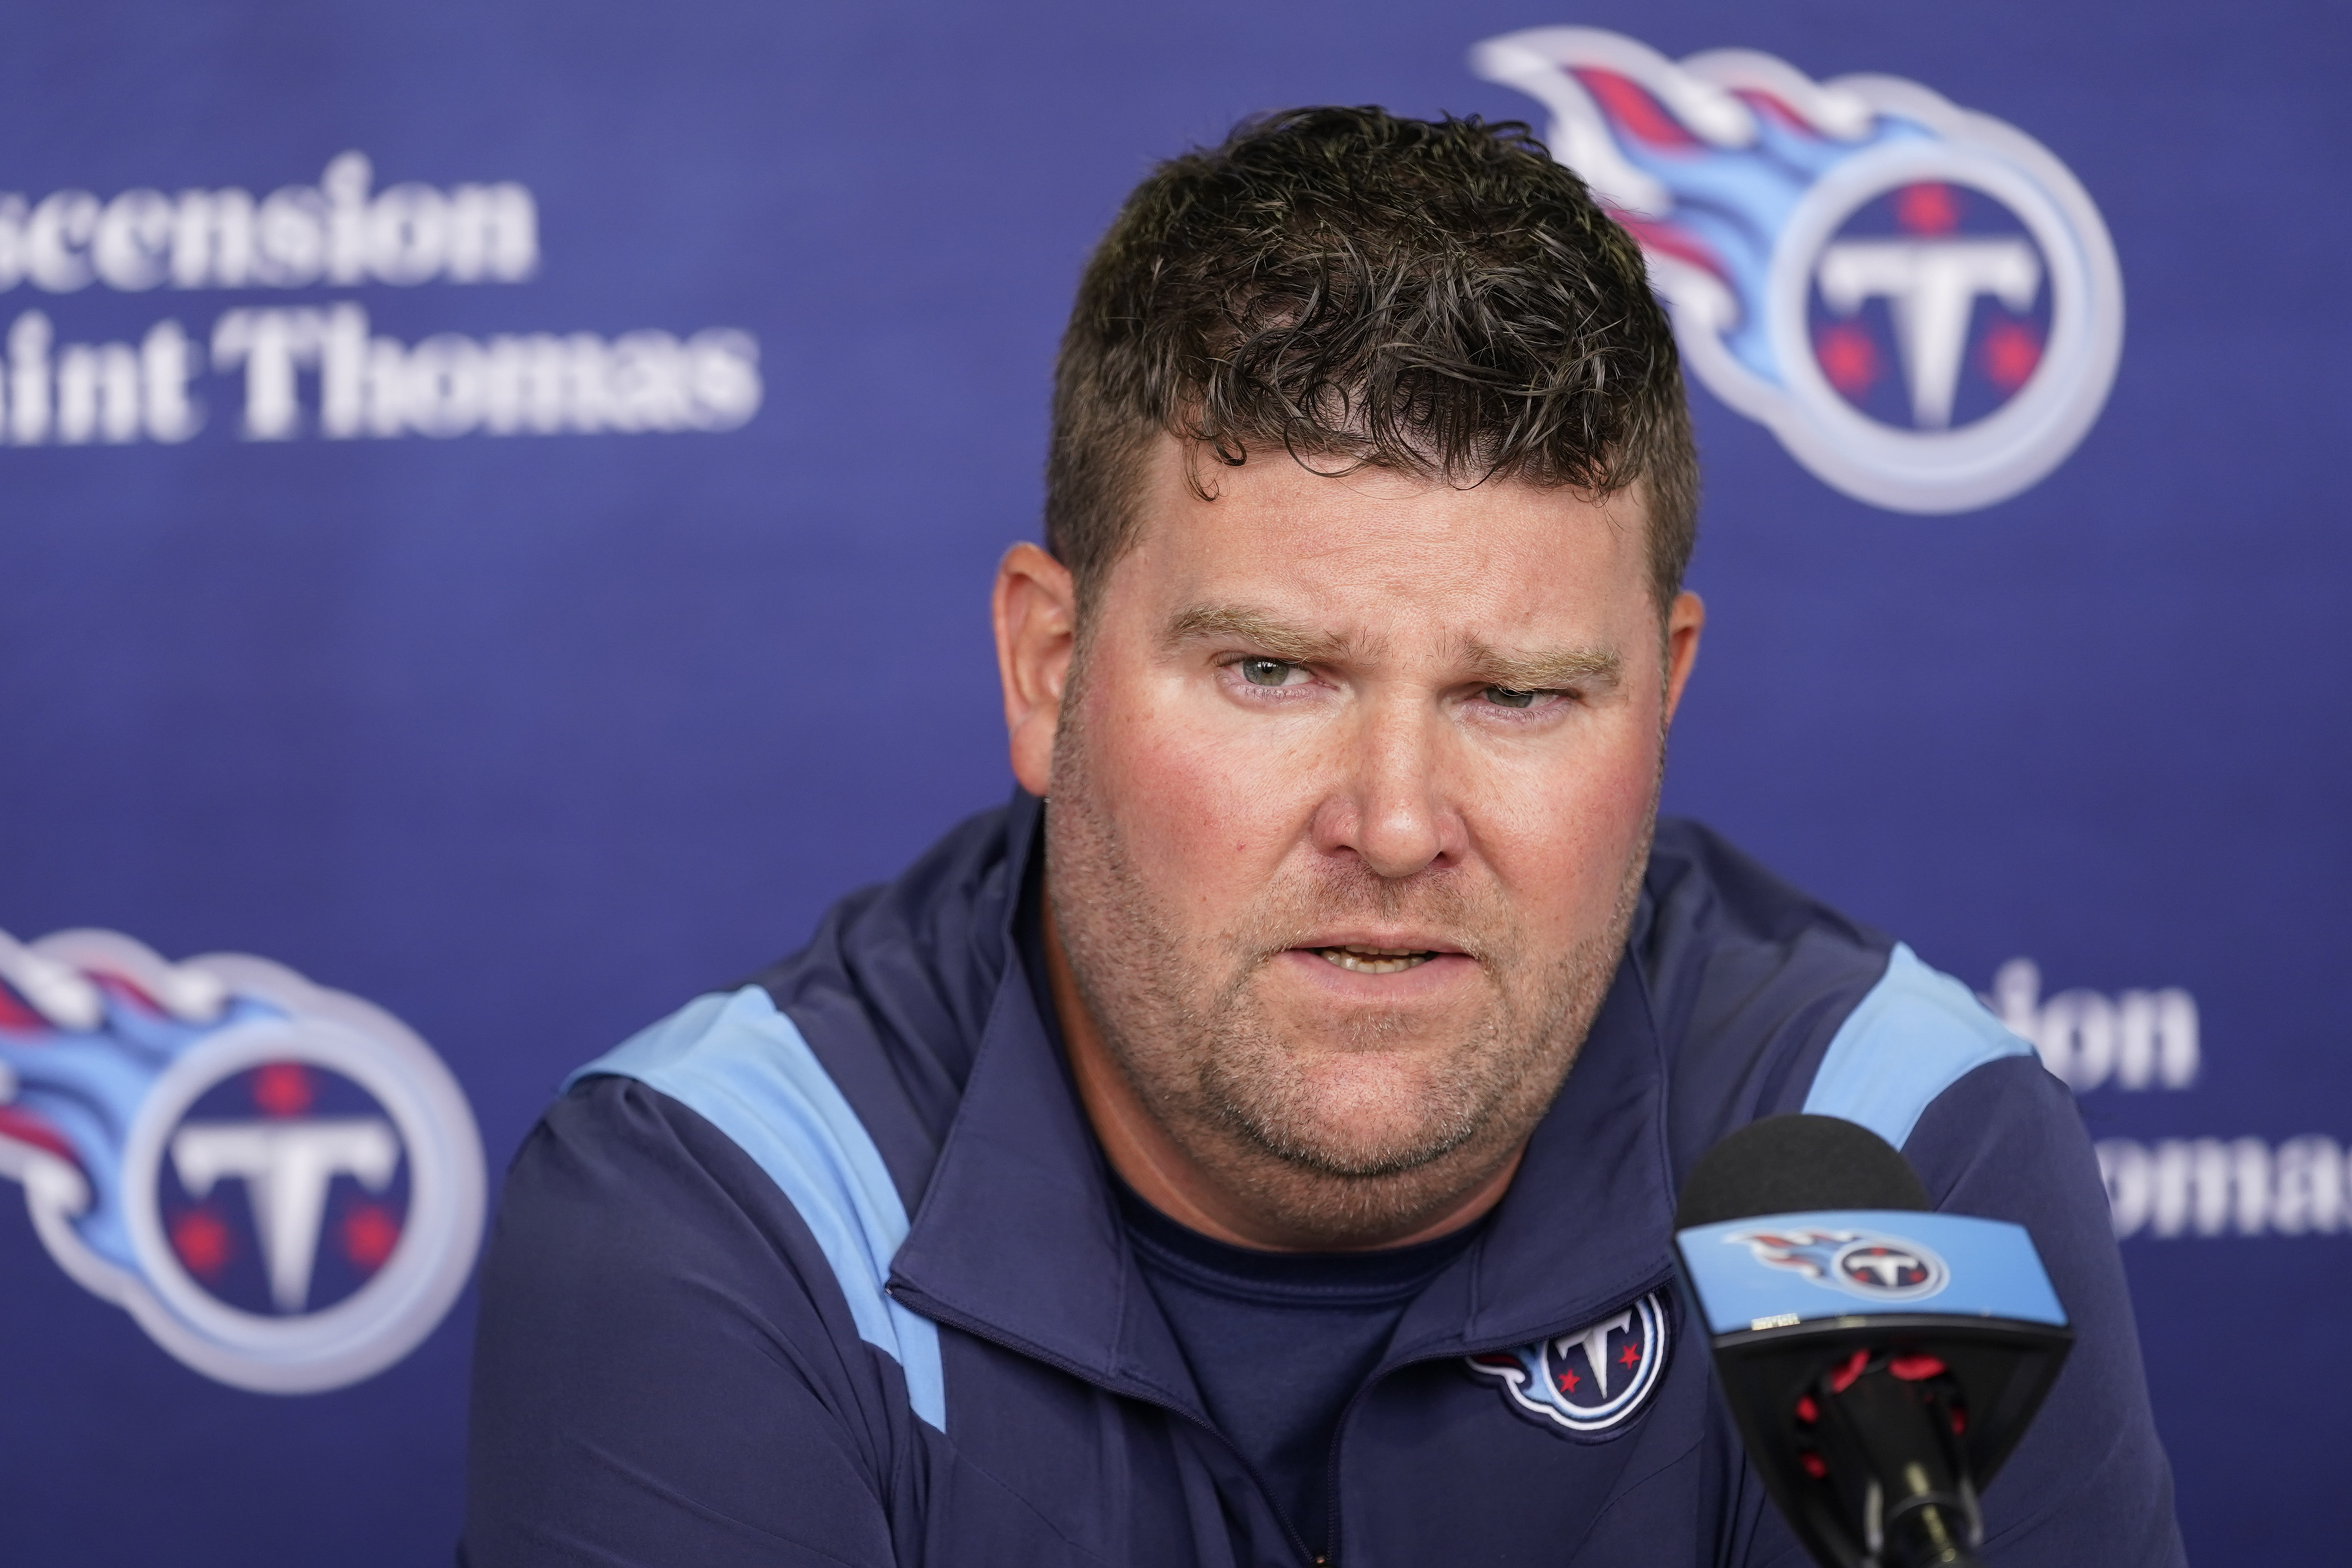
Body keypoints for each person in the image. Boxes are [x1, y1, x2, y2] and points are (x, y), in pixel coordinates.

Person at [461, 107, 2184, 1567]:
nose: (1397, 823)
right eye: (1275, 672)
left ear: (1662, 698)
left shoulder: (1894, 1146)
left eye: (1517, 695)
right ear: (1048, 669)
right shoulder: (729, 1205)